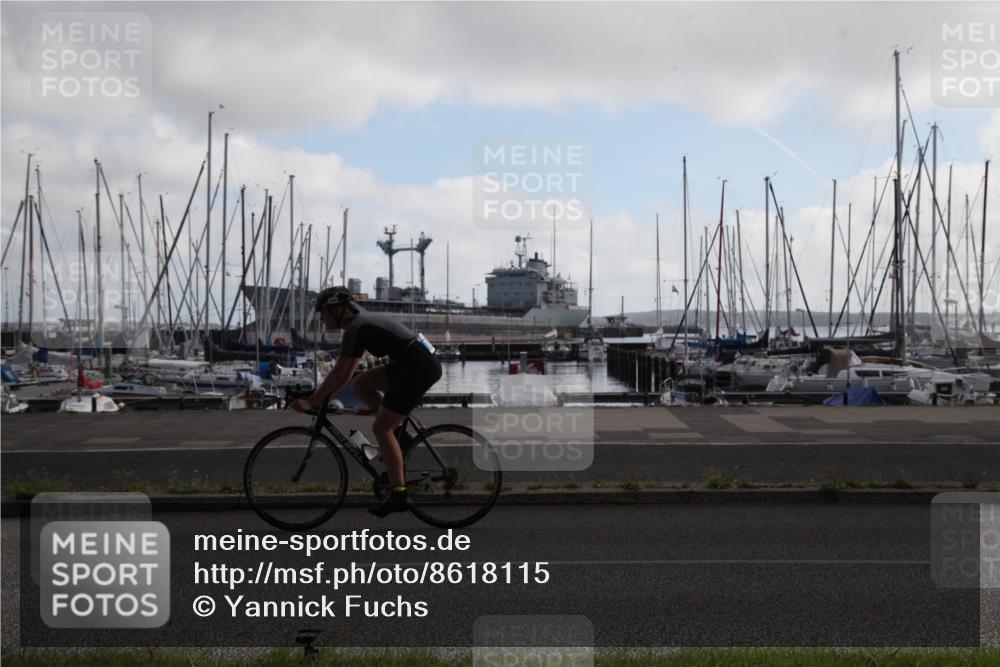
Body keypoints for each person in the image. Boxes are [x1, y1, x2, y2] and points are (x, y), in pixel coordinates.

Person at [292, 286, 442, 517]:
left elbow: (340, 372)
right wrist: (322, 395)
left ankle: (399, 494)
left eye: (323, 312)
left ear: (338, 310)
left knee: (381, 428)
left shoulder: (357, 327)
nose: (321, 318)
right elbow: (347, 374)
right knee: (361, 384)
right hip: (410, 363)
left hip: (419, 368)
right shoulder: (358, 325)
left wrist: (313, 401)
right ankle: (401, 437)